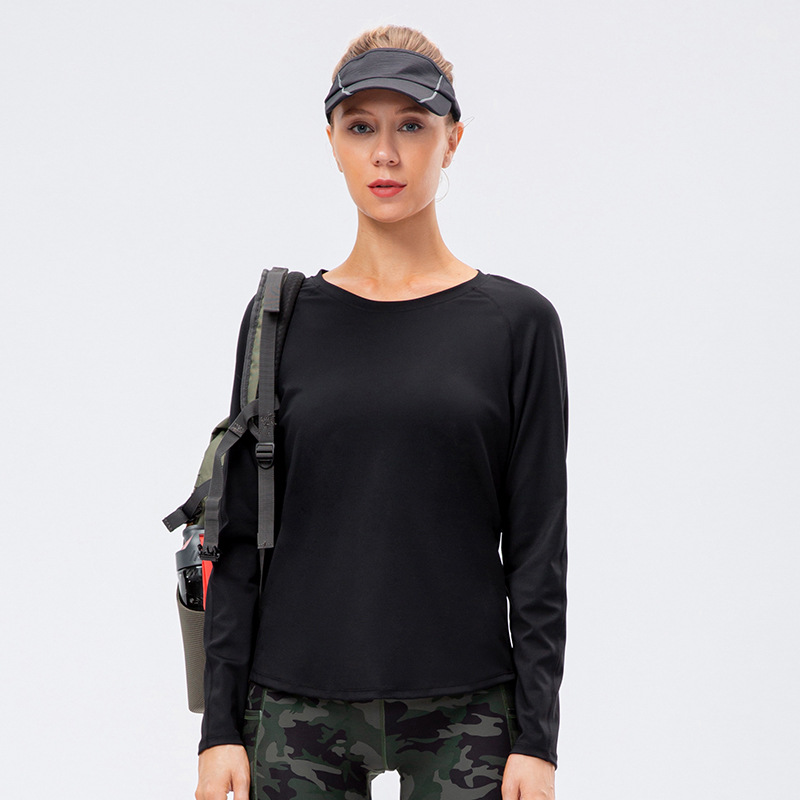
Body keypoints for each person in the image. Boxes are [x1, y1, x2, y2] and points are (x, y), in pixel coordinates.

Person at [194, 23, 568, 800]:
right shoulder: (279, 319)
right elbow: (235, 535)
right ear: (332, 142)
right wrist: (220, 728)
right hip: (294, 705)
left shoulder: (517, 324)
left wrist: (538, 739)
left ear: (453, 139)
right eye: (361, 127)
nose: (386, 154)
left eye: (412, 126)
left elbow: (537, 547)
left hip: (469, 710)